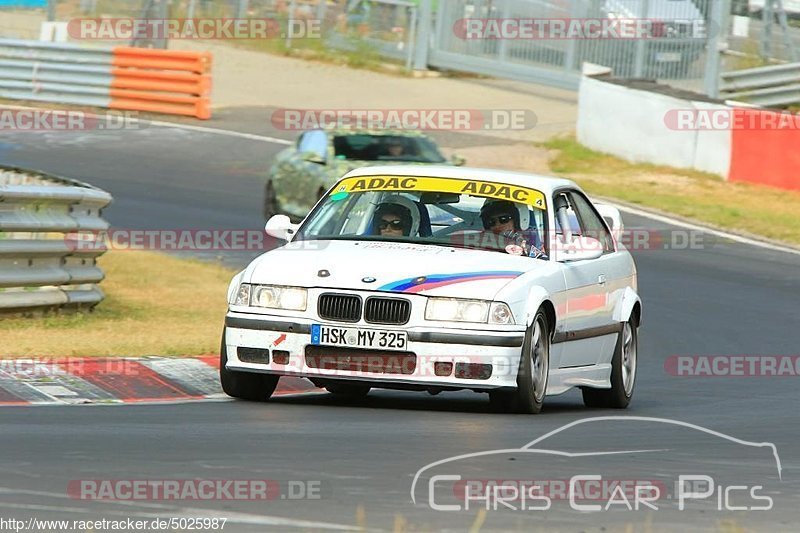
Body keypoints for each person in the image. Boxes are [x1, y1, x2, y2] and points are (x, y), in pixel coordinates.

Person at [479, 199, 545, 258]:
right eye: (491, 222)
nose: (497, 225)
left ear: (517, 220)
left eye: (504, 219)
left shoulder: (532, 239)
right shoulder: (481, 240)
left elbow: (543, 261)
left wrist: (526, 249)